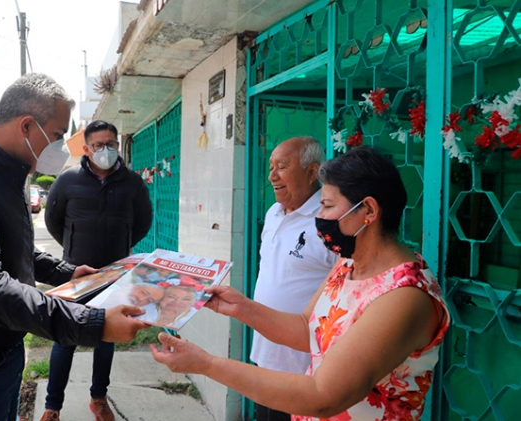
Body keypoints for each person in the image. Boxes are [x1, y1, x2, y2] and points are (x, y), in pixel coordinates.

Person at [0, 73, 148, 421]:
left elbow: (12, 246)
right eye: (58, 135)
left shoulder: (4, 171)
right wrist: (93, 324)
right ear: (27, 126)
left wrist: (68, 272)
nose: (62, 147)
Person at [151, 146, 450, 421]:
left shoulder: (404, 296)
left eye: (328, 206)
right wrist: (240, 308)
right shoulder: (349, 265)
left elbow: (324, 396)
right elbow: (307, 328)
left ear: (368, 211)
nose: (319, 218)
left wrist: (206, 364)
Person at [41, 120, 153, 421]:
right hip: (77, 275)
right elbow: (54, 222)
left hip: (115, 276)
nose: (106, 150)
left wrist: (122, 248)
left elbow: (143, 222)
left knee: (106, 339)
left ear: (118, 144)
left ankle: (98, 398)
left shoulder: (132, 182)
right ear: (87, 149)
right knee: (65, 340)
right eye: (99, 145)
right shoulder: (67, 181)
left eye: (111, 144)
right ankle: (52, 407)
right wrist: (73, 254)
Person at [251, 137, 338, 421]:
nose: (271, 176)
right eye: (271, 167)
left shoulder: (328, 221)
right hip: (265, 356)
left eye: (282, 167)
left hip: (304, 367)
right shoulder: (274, 213)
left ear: (312, 172)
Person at [90, 282, 165, 309]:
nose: (141, 299)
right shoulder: (93, 290)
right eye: (143, 293)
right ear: (129, 286)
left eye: (148, 300)